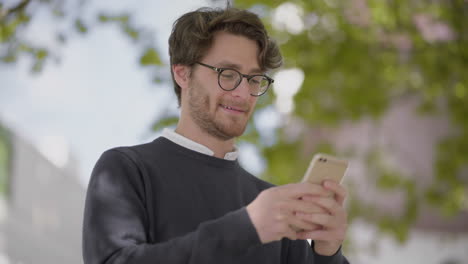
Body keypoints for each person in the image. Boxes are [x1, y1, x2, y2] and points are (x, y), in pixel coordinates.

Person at [82, 6, 350, 264]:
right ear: (182, 73)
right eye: (228, 74)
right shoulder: (127, 169)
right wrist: (247, 228)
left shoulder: (272, 205)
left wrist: (328, 253)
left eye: (254, 79)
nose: (243, 94)